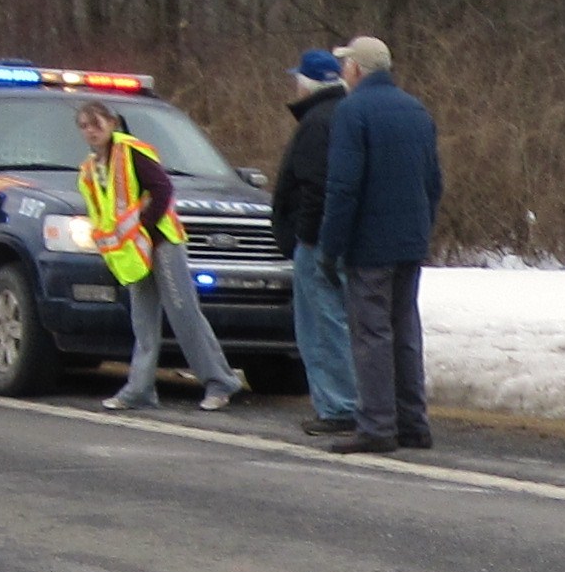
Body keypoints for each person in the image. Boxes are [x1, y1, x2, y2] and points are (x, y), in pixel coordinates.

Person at [76, 94, 241, 412]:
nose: (91, 131)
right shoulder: (89, 171)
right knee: (143, 320)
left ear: (112, 123)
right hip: (132, 252)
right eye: (84, 126)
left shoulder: (132, 152)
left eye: (96, 123)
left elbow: (163, 189)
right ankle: (139, 389)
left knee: (183, 312)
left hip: (162, 242)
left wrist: (146, 227)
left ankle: (220, 382)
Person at [316, 32, 440, 454]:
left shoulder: (352, 111)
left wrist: (331, 246)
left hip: (370, 244)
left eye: (345, 64)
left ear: (356, 69)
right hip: (410, 239)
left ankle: (377, 425)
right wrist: (422, 227)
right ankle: (413, 422)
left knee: (371, 335)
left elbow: (343, 186)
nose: (342, 71)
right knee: (405, 330)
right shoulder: (416, 109)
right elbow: (433, 181)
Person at [270, 49, 360, 440]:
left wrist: (304, 237)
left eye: (299, 79)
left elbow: (315, 186)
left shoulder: (317, 121)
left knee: (322, 325)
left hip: (318, 241)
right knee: (339, 320)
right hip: (344, 237)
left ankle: (338, 406)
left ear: (308, 83)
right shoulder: (347, 114)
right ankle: (348, 400)